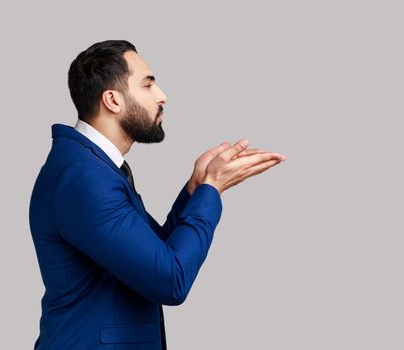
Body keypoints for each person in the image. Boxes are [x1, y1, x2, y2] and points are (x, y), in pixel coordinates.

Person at [29, 39, 286, 350]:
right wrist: (211, 189)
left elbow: (159, 251)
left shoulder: (94, 168)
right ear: (113, 100)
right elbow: (170, 280)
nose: (162, 96)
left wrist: (195, 188)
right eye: (148, 85)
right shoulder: (84, 178)